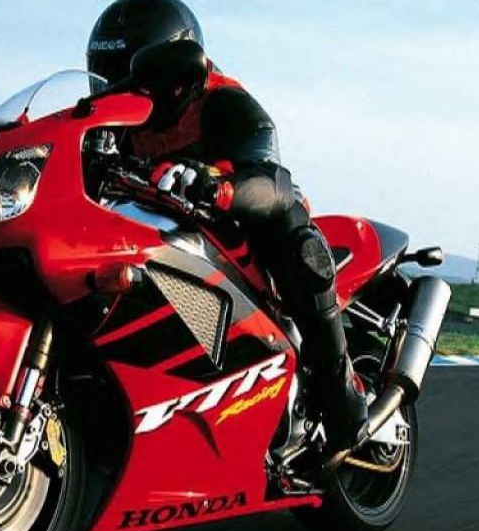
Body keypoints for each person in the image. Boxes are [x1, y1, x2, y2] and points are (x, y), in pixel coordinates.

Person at [86, 0, 369, 457]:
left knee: (298, 244)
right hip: (162, 237)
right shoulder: (110, 120)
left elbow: (271, 181)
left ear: (176, 67)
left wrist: (217, 186)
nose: (117, 87)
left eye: (132, 72)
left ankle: (341, 396)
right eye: (105, 75)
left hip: (239, 224)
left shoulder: (225, 103)